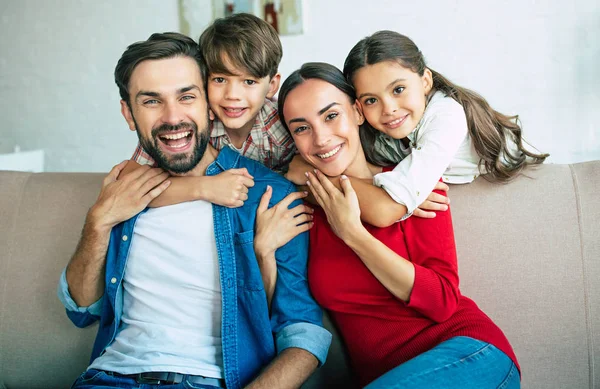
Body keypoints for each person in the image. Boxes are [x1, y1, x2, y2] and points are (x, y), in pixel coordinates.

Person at [57, 32, 331, 389]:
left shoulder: (270, 195)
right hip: (109, 379)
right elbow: (81, 310)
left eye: (186, 96)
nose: (173, 118)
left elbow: (304, 334)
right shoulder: (125, 192)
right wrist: (98, 221)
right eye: (152, 101)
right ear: (128, 113)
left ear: (206, 102)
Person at [272, 62, 520, 388]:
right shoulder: (303, 206)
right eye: (302, 128)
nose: (320, 138)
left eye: (331, 116)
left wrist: (354, 234)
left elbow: (443, 300)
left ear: (358, 112)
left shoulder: (410, 186)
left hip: (470, 354)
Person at [342, 30, 548, 220]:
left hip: (526, 187)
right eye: (371, 100)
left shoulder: (447, 117)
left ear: (425, 82)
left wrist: (407, 193)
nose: (388, 109)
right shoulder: (383, 127)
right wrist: (407, 188)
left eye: (398, 89)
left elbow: (389, 206)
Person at [127, 13, 295, 210]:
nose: (232, 95)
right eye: (220, 80)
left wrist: (301, 168)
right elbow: (130, 185)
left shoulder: (281, 124)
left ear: (272, 86)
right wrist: (204, 187)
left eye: (249, 82)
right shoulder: (191, 122)